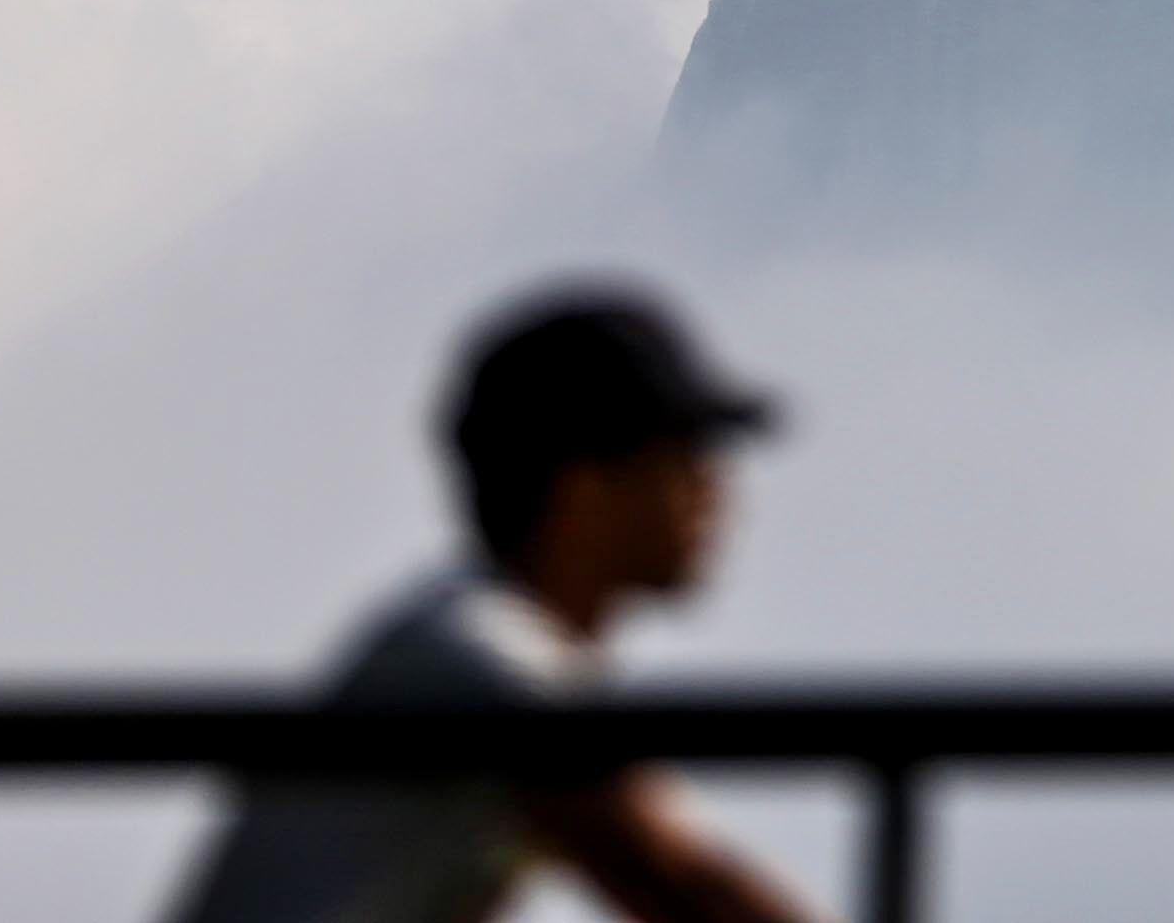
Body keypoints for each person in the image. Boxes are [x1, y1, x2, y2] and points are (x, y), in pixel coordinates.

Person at [162, 283, 823, 923]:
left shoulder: (477, 643)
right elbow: (678, 882)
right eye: (685, 456)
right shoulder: (479, 656)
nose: (717, 492)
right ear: (584, 488)